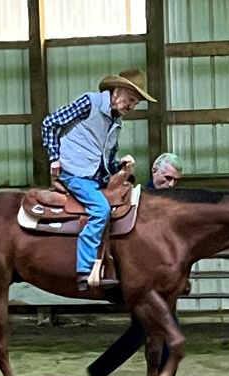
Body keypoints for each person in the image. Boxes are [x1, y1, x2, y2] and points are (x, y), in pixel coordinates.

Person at [41, 68, 156, 290]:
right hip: (74, 171)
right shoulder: (89, 102)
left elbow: (105, 160)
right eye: (130, 100)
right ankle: (84, 270)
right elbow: (49, 123)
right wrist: (54, 157)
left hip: (93, 176)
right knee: (101, 209)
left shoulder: (116, 123)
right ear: (118, 92)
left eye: (135, 103)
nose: (131, 107)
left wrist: (119, 165)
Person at [87, 153, 183, 376]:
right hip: (143, 279)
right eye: (167, 178)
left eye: (175, 181)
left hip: (159, 280)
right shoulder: (143, 201)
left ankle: (105, 370)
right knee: (156, 328)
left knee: (150, 329)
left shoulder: (167, 205)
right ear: (154, 172)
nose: (171, 185)